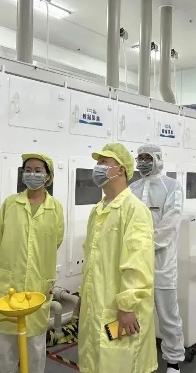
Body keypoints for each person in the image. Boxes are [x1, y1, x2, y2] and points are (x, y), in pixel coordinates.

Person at [77, 143, 157, 373]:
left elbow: (137, 262)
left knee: (120, 364)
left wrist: (128, 306)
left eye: (103, 162)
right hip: (96, 304)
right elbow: (91, 259)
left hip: (121, 310)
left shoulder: (134, 209)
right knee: (95, 361)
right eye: (97, 163)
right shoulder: (98, 210)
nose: (98, 168)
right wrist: (83, 294)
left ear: (121, 169)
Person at [0, 153, 64, 373]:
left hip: (38, 287)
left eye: (38, 170)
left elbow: (56, 241)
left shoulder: (55, 208)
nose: (32, 174)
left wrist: (36, 266)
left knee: (35, 349)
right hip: (9, 286)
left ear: (48, 176)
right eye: (28, 170)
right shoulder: (11, 203)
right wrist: (11, 266)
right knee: (5, 350)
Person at [129, 144, 185, 373]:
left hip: (162, 264)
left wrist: (145, 245)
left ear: (158, 159)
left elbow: (171, 222)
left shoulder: (171, 186)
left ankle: (173, 362)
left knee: (167, 315)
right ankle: (136, 358)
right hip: (134, 263)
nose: (143, 162)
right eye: (140, 158)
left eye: (147, 158)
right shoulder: (132, 188)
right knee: (135, 312)